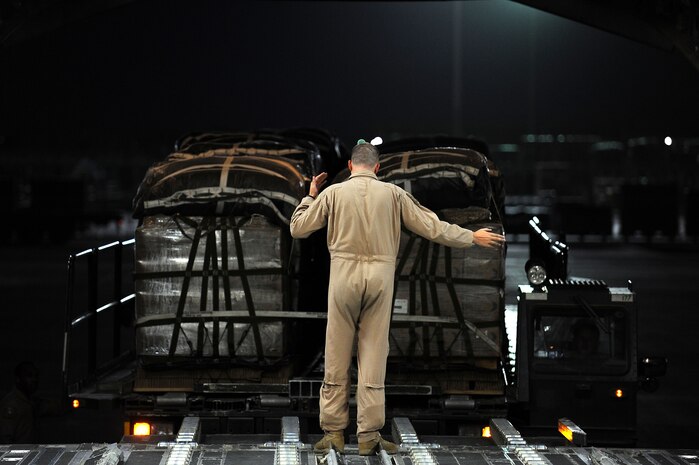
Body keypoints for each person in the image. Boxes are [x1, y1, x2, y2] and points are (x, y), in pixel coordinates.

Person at [290, 141, 505, 455]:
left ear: (350, 166)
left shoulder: (333, 194)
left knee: (336, 356)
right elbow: (433, 228)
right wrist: (471, 236)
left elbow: (298, 229)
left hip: (342, 279)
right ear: (378, 168)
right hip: (380, 279)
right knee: (373, 357)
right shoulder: (394, 195)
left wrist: (310, 194)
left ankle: (333, 433)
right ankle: (368, 437)